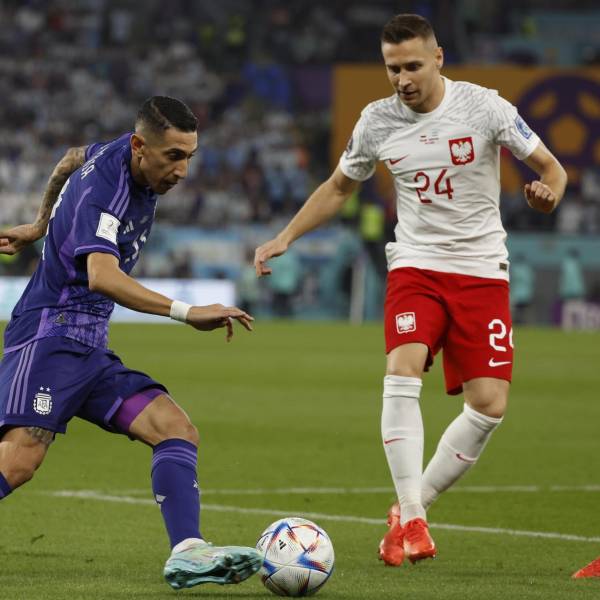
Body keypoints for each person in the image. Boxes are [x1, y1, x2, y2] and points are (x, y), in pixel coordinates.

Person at [254, 14, 567, 567]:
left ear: (438, 58)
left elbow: (551, 168)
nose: (402, 79)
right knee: (402, 369)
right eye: (393, 68)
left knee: (489, 406)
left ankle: (408, 507)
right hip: (416, 267)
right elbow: (338, 188)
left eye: (413, 66)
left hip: (481, 270)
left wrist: (549, 194)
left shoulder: (485, 107)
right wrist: (286, 236)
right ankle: (416, 518)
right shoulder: (376, 121)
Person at [0, 96, 262, 590]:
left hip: (89, 345)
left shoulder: (117, 150)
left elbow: (70, 157)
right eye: (173, 157)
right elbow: (102, 276)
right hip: (50, 335)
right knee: (18, 462)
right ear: (141, 147)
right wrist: (187, 312)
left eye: (190, 156)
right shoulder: (109, 190)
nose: (183, 171)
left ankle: (188, 552)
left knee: (175, 428)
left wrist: (39, 224)